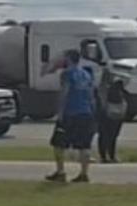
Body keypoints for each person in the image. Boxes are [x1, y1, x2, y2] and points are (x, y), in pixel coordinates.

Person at [45, 49, 96, 183]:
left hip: (71, 113)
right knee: (84, 146)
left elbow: (64, 93)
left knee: (58, 143)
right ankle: (84, 174)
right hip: (86, 112)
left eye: (64, 57)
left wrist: (60, 112)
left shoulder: (67, 74)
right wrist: (92, 109)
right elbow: (91, 95)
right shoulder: (86, 74)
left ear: (69, 59)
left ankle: (61, 171)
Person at [98, 76, 128, 163]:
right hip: (107, 114)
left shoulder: (119, 90)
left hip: (115, 114)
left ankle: (110, 155)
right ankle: (105, 156)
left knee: (111, 136)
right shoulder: (105, 89)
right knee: (106, 135)